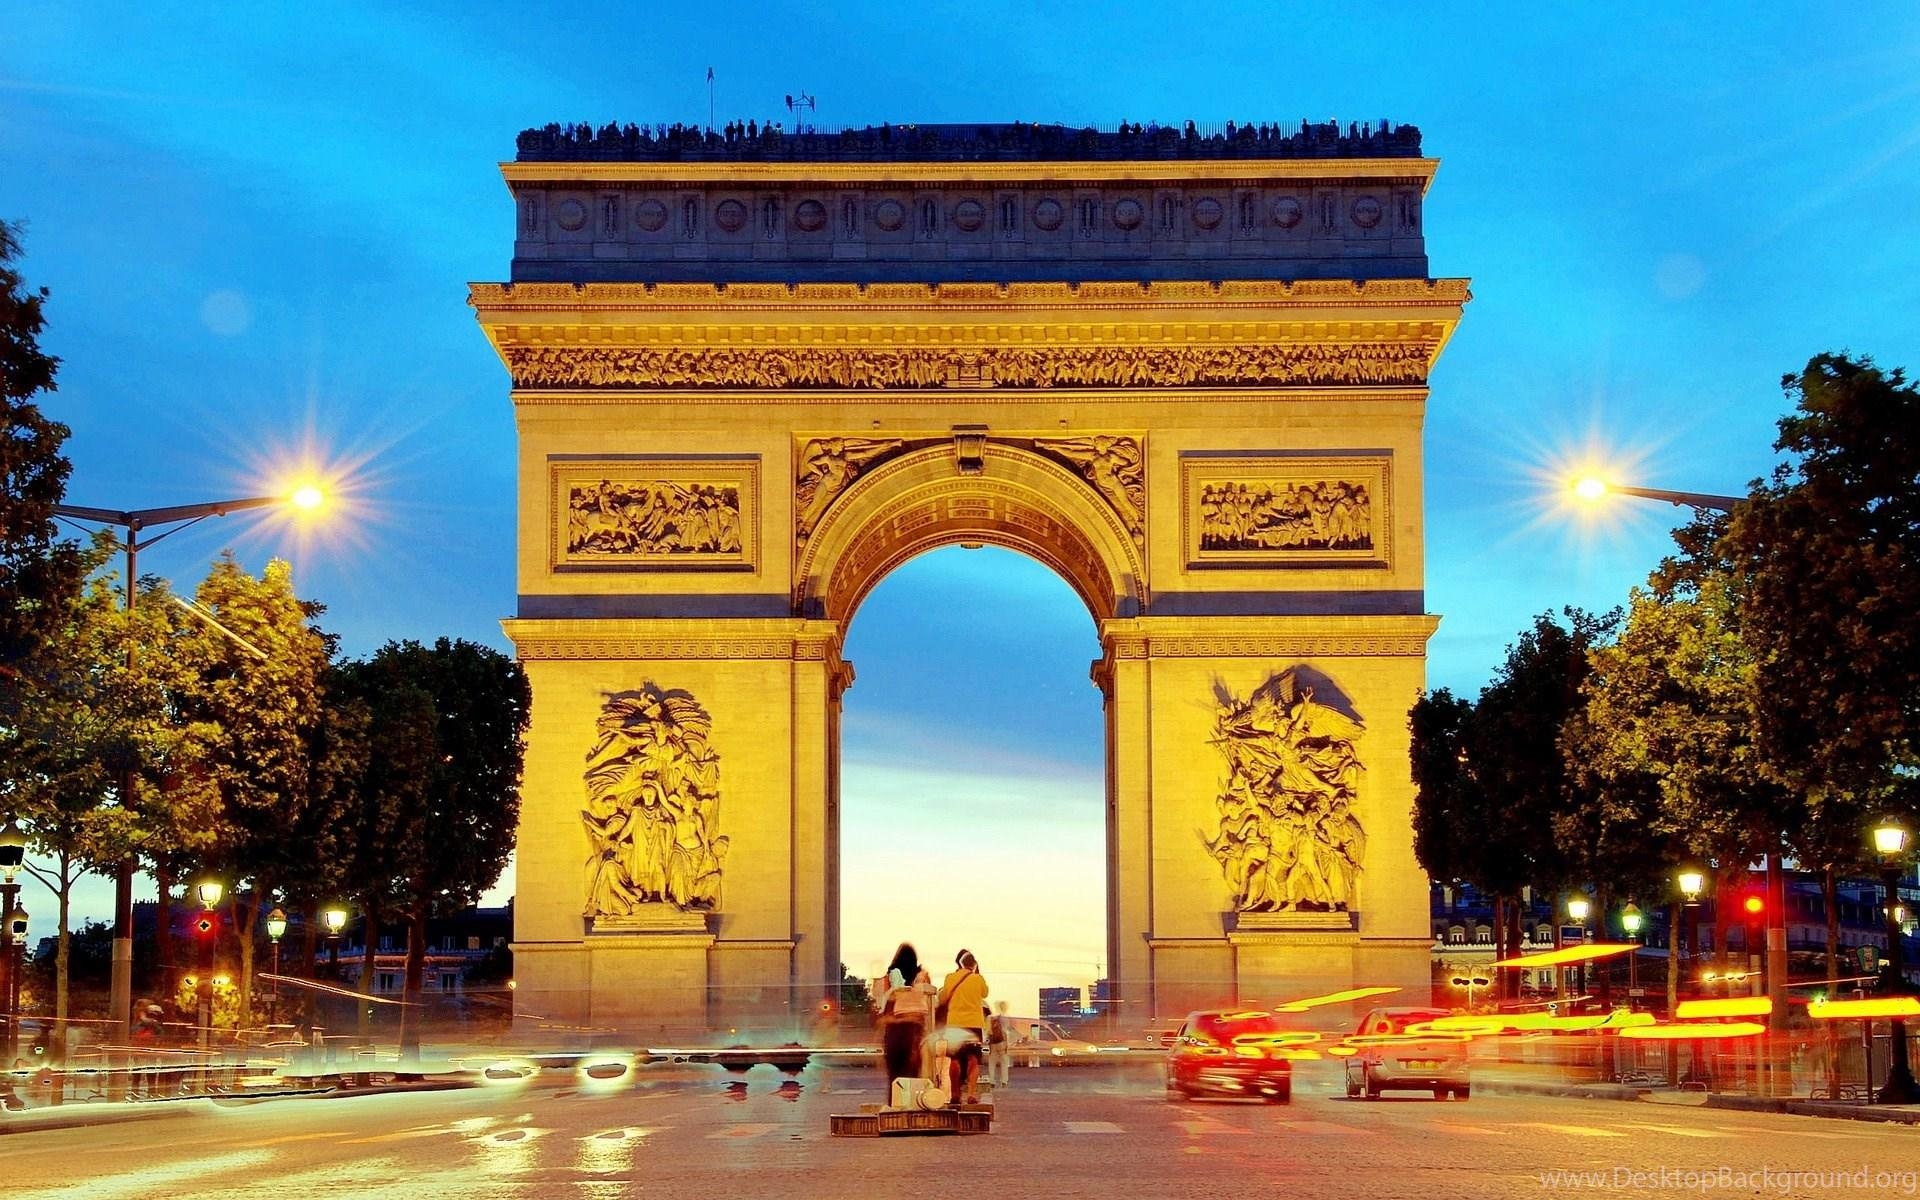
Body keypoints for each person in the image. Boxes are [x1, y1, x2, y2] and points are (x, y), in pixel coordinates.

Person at [936, 949, 990, 1105]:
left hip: (954, 1024)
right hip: (974, 1024)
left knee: (954, 1059)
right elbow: (985, 993)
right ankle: (972, 1094)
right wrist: (977, 973)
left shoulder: (950, 978)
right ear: (973, 964)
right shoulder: (977, 979)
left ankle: (955, 1094)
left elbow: (943, 997)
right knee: (973, 1059)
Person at [874, 942, 933, 1085]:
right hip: (915, 1026)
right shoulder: (923, 975)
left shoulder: (892, 976)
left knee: (895, 1076)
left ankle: (895, 1103)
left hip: (896, 1026)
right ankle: (911, 1103)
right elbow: (930, 998)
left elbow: (884, 999)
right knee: (913, 1073)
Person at [987, 1000, 1012, 1089]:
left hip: (993, 1042)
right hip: (1002, 1042)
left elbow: (989, 1031)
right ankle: (1004, 1081)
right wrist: (1006, 1044)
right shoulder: (1006, 1018)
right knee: (1004, 1062)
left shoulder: (990, 1017)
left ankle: (992, 1081)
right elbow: (1006, 1032)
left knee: (992, 1061)